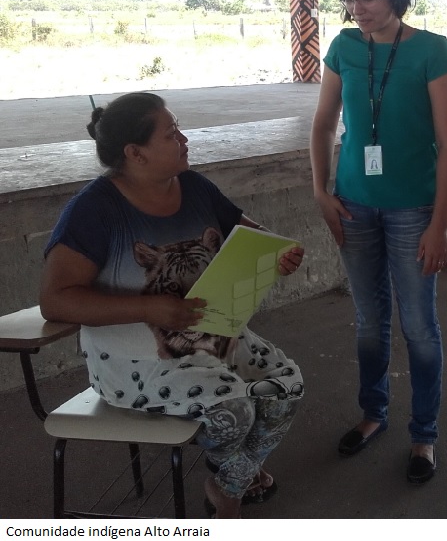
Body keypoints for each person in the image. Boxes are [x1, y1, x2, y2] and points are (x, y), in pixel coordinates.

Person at [39, 92, 306, 519]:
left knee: (286, 387)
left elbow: (251, 235)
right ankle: (232, 495)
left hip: (215, 336)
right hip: (135, 361)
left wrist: (278, 255)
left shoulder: (195, 187)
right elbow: (55, 300)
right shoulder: (93, 210)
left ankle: (226, 480)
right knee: (233, 408)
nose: (184, 139)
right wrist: (148, 309)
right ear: (135, 153)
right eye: (171, 133)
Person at [309, 0, 447, 484]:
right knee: (370, 322)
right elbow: (324, 124)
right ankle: (373, 413)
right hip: (353, 204)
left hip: (412, 210)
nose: (358, 8)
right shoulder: (344, 46)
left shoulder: (432, 52)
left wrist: (440, 224)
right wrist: (321, 190)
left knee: (419, 326)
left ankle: (424, 434)